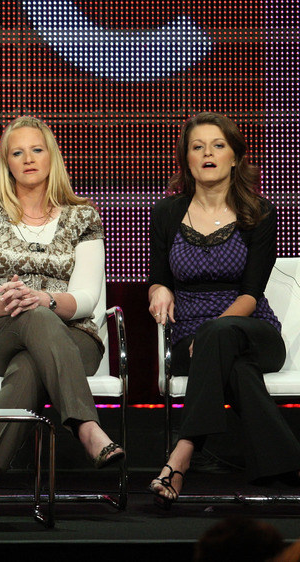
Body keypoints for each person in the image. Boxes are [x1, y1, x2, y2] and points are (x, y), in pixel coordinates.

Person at [0, 116, 124, 516]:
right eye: (17, 152)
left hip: (72, 339)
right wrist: (11, 302)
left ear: (52, 156)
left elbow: (86, 299)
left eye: (37, 150)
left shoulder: (84, 217)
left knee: (29, 363)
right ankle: (86, 426)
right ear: (6, 163)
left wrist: (43, 298)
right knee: (34, 315)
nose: (28, 159)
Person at [148, 112, 300, 508]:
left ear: (235, 156)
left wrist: (214, 331)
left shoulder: (260, 213)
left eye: (217, 145)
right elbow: (159, 276)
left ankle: (181, 455)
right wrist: (159, 290)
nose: (207, 153)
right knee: (234, 368)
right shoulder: (166, 214)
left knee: (220, 339)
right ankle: (287, 462)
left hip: (253, 331)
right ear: (187, 159)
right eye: (197, 147)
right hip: (188, 339)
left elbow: (251, 293)